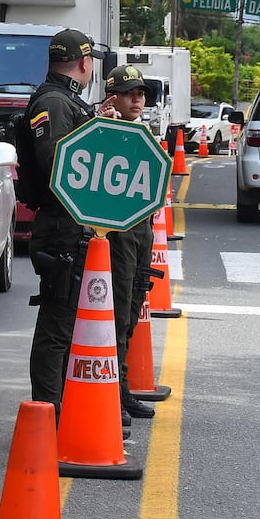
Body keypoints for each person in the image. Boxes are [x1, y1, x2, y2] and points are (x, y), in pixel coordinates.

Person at [25, 28, 115, 413]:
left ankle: (62, 411)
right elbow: (55, 162)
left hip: (69, 227)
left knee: (69, 323)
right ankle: (48, 416)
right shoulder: (53, 102)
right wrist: (91, 128)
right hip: (61, 227)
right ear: (85, 63)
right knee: (57, 327)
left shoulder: (67, 102)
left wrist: (95, 118)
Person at [103, 65, 157, 420]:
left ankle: (123, 390)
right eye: (129, 93)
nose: (138, 99)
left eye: (141, 93)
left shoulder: (143, 130)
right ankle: (114, 395)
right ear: (113, 97)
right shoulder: (103, 131)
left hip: (142, 229)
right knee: (118, 313)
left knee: (135, 305)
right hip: (118, 233)